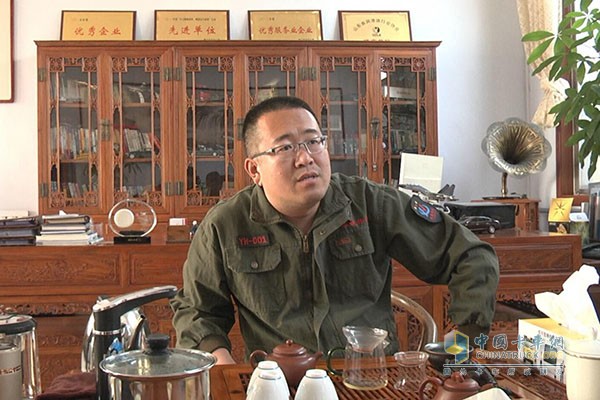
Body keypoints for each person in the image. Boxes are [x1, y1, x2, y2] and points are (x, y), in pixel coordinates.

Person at [171, 96, 499, 365]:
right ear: (254, 169)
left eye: (314, 141)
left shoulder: (371, 204)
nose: (305, 158)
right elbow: (197, 312)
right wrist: (223, 366)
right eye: (285, 148)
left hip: (370, 379)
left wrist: (462, 343)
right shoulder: (225, 225)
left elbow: (471, 257)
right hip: (280, 383)